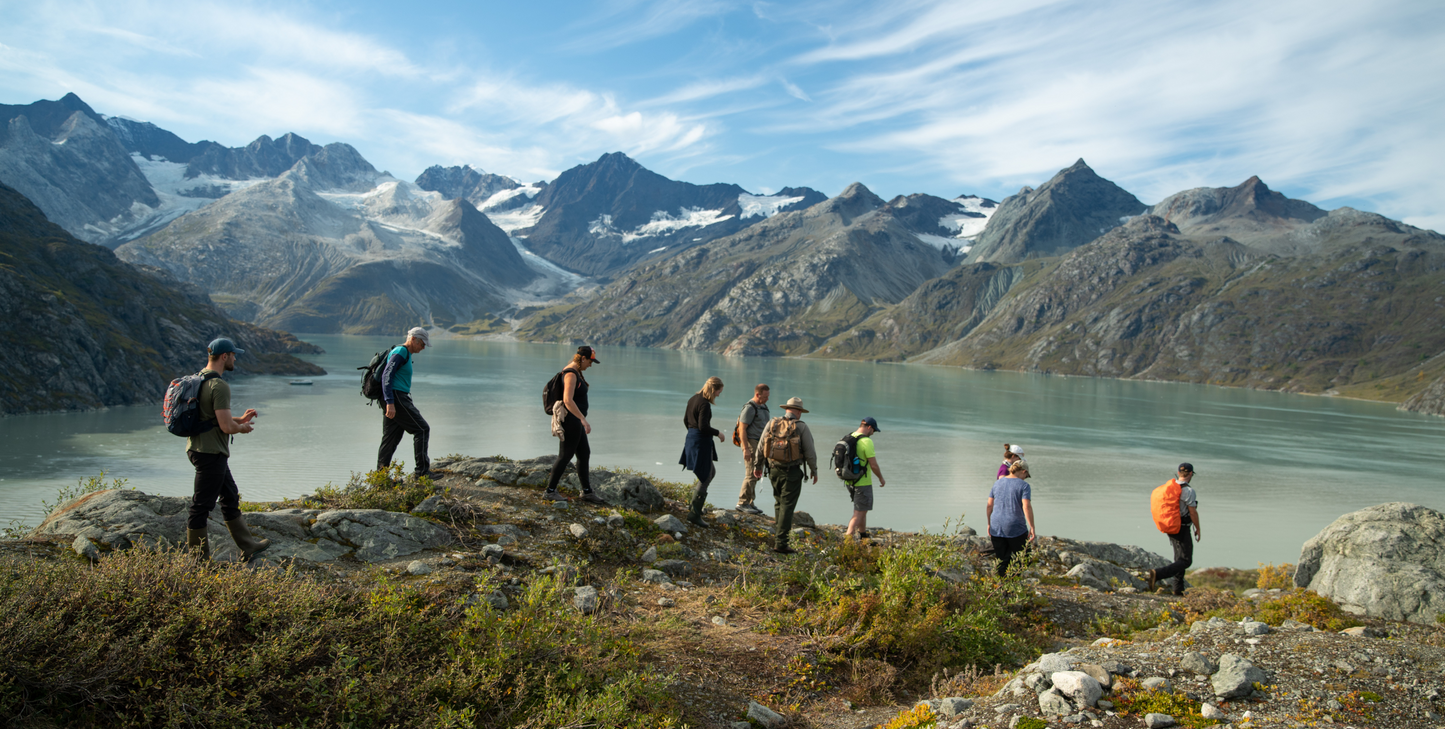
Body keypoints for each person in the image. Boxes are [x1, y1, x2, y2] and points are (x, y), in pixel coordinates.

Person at [185, 337, 270, 562]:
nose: (234, 358)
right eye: (233, 355)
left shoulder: (200, 379)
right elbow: (225, 426)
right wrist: (241, 428)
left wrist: (239, 419)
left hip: (201, 449)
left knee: (230, 496)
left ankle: (248, 545)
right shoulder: (219, 385)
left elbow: (212, 417)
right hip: (210, 452)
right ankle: (198, 561)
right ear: (224, 356)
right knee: (201, 507)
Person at [750, 397, 817, 554]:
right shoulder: (801, 426)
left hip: (772, 468)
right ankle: (781, 543)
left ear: (787, 409)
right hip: (791, 471)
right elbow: (810, 452)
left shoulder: (772, 423)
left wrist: (757, 466)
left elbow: (761, 446)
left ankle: (779, 535)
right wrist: (814, 470)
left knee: (779, 502)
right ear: (798, 412)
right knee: (787, 505)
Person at [543, 346, 608, 504]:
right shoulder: (571, 373)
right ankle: (550, 491)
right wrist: (582, 419)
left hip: (575, 421)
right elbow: (568, 400)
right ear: (583, 358)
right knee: (565, 455)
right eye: (590, 361)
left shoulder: (576, 372)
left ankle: (587, 492)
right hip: (571, 420)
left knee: (584, 453)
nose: (591, 365)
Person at [378, 327, 432, 477]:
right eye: (422, 344)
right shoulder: (401, 352)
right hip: (396, 397)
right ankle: (422, 472)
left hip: (395, 397)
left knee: (390, 438)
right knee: (422, 429)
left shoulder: (403, 352)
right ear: (413, 339)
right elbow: (387, 375)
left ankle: (381, 478)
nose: (423, 347)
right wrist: (390, 402)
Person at [1146, 463, 1201, 595]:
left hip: (1171, 525)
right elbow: (1192, 512)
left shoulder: (1171, 487)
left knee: (1179, 559)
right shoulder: (1188, 491)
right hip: (1182, 527)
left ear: (1178, 472)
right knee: (1186, 560)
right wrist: (1198, 529)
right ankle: (1158, 574)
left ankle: (1178, 589)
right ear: (1191, 474)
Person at [680, 376, 727, 526]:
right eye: (719, 391)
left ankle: (695, 507)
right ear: (713, 389)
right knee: (706, 476)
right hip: (700, 441)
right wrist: (718, 433)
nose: (719, 394)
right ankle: (694, 513)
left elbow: (685, 421)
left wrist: (693, 435)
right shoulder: (704, 404)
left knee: (710, 472)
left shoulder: (693, 399)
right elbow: (703, 426)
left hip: (693, 439)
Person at [986, 459, 1037, 577]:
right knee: (1025, 556)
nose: (1025, 478)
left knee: (1002, 560)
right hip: (1015, 527)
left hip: (996, 525)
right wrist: (1032, 527)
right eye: (1026, 475)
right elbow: (1026, 506)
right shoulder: (1024, 486)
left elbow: (989, 505)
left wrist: (989, 523)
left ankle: (1003, 588)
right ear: (1023, 471)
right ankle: (1013, 582)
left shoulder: (997, 483)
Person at [845, 417, 885, 541]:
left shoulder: (850, 436)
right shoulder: (866, 441)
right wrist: (881, 478)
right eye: (873, 430)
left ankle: (863, 536)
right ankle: (847, 540)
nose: (873, 433)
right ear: (869, 427)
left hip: (849, 480)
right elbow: (873, 465)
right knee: (859, 513)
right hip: (862, 482)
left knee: (862, 509)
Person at [734, 384, 771, 515]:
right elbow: (742, 429)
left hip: (761, 444)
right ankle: (742, 502)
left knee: (756, 473)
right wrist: (745, 449)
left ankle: (750, 502)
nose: (767, 399)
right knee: (750, 473)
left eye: (768, 396)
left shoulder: (763, 407)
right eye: (765, 396)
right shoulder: (750, 408)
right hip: (751, 442)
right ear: (757, 394)